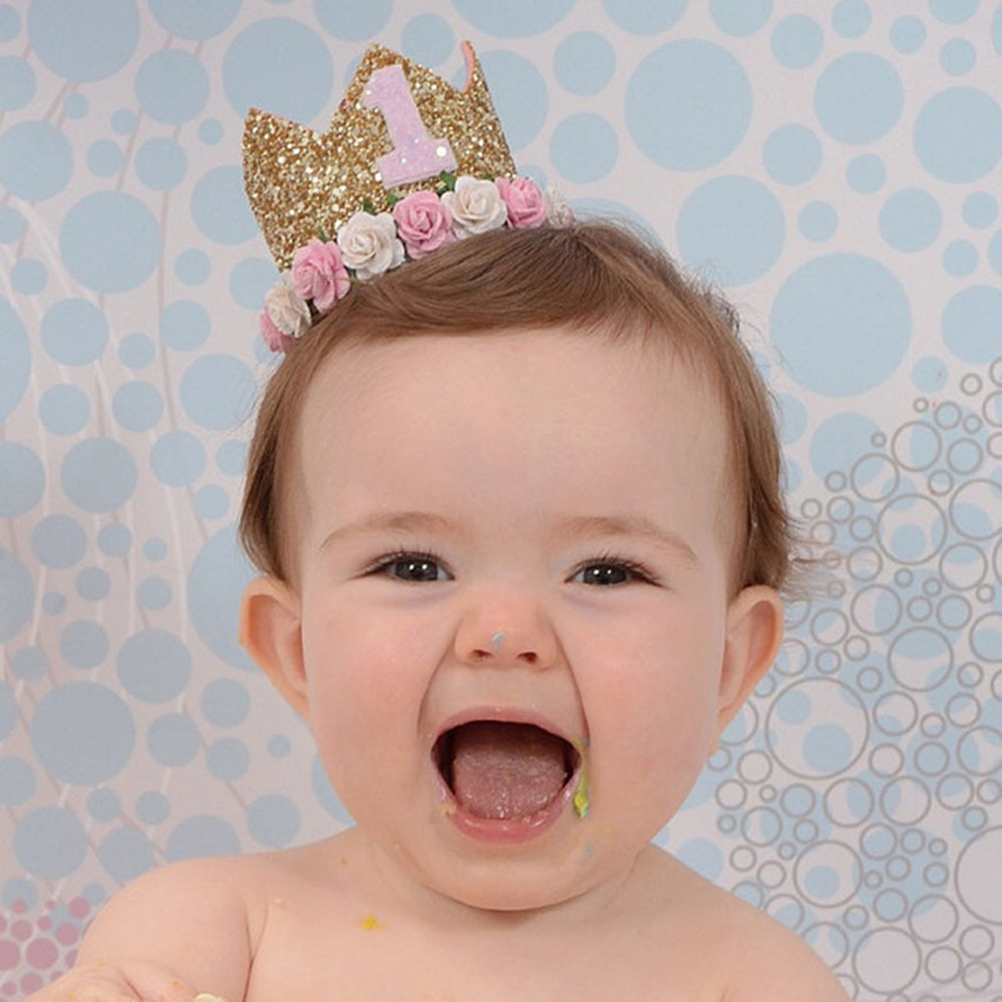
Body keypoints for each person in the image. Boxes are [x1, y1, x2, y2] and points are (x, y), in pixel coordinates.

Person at [28, 44, 848, 1002]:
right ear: (295, 648)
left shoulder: (751, 979)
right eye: (414, 566)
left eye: (606, 572)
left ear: (729, 662)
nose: (503, 633)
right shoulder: (211, 931)